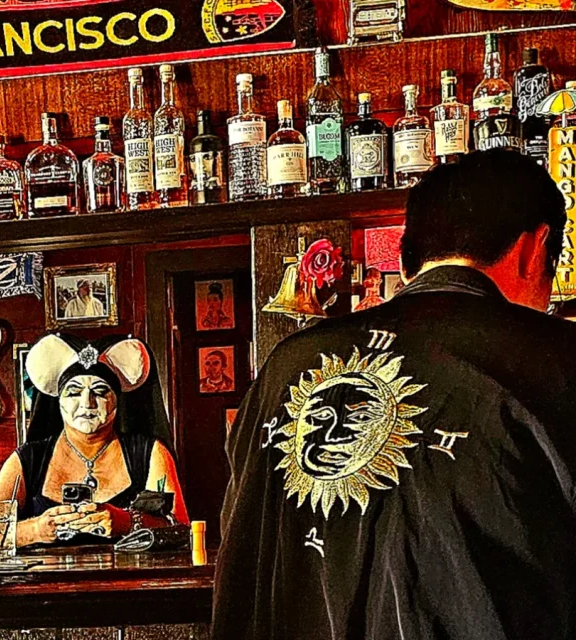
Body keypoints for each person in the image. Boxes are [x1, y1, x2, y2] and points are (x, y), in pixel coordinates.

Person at [213, 149, 576, 640]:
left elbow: (240, 561)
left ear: (408, 259)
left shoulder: (287, 366)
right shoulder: (558, 359)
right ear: (536, 249)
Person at [0, 334, 188, 549]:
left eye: (100, 391)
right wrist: (35, 530)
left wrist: (127, 523)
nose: (87, 403)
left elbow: (182, 531)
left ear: (116, 398)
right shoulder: (28, 460)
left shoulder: (150, 453)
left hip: (128, 580)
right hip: (44, 580)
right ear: (58, 400)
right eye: (74, 392)